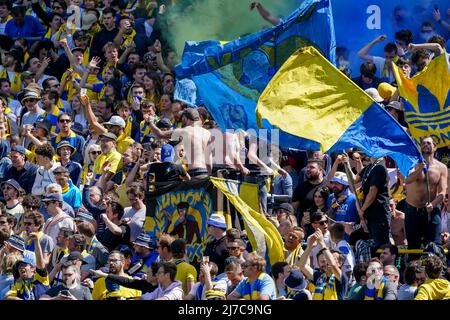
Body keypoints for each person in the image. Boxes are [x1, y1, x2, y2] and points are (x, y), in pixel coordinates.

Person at [405, 136, 447, 250]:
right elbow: (407, 180)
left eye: (428, 143)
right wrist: (419, 169)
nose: (425, 145)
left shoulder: (441, 167)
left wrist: (433, 204)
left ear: (435, 147)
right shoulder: (413, 164)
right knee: (413, 247)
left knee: (434, 247)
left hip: (431, 211)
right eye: (423, 143)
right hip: (412, 210)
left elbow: (442, 192)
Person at [342, 154, 391, 247]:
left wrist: (362, 210)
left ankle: (388, 261)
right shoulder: (369, 167)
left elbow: (373, 192)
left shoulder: (379, 167)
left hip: (379, 214)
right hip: (370, 214)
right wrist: (346, 163)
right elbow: (353, 179)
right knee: (356, 237)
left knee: (381, 246)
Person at [298, 230, 348, 300]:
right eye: (326, 260)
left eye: (332, 259)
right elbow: (301, 266)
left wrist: (322, 243)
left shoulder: (342, 277)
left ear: (340, 263)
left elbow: (333, 265)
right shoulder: (319, 276)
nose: (327, 262)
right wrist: (309, 247)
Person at [4, 232, 49, 300]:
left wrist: (36, 242)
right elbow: (8, 297)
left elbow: (40, 265)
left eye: (23, 265)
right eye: (19, 267)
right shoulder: (19, 284)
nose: (21, 268)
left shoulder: (40, 279)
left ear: (32, 268)